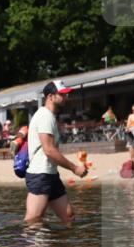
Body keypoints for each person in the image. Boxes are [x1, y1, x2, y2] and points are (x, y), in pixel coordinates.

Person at [24, 80, 88, 224]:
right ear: (50, 97)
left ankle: (59, 240)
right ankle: (15, 237)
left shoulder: (49, 116)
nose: (66, 97)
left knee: (68, 216)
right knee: (33, 220)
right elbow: (49, 150)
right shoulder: (45, 116)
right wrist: (74, 168)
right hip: (40, 175)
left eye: (66, 94)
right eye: (62, 94)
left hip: (50, 174)